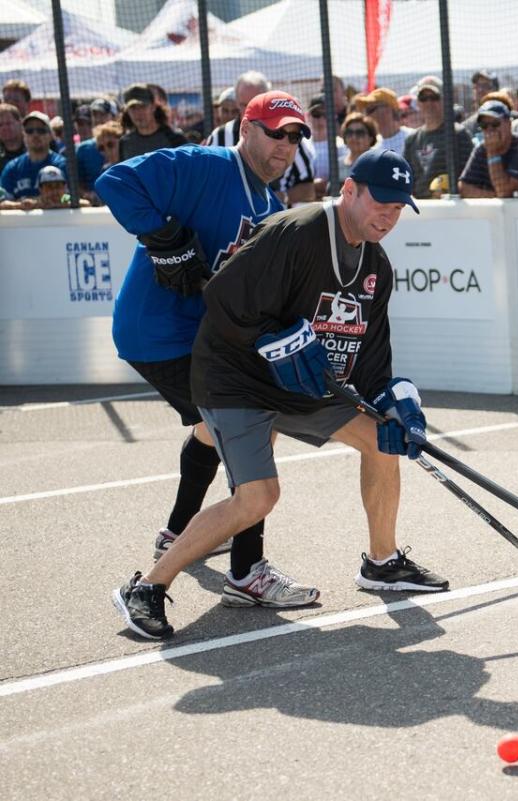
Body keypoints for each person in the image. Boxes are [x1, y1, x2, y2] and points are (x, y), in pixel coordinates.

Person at [112, 149, 447, 640]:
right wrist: (274, 339)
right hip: (236, 379)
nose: (389, 217)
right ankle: (145, 588)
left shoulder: (377, 267)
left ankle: (382, 562)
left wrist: (402, 407)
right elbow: (221, 298)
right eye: (382, 203)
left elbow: (374, 366)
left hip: (299, 384)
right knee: (258, 498)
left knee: (382, 438)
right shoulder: (298, 230)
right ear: (349, 190)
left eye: (399, 209)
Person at [95, 91, 314, 614]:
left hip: (201, 342)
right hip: (156, 334)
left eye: (295, 136)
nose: (285, 145)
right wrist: (164, 235)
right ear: (247, 128)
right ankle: (246, 571)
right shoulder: (203, 165)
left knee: (216, 425)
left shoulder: (272, 211)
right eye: (276, 131)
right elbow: (114, 181)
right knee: (252, 420)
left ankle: (178, 532)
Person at [204, 71, 316, 205]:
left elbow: (309, 189)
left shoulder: (293, 137)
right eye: (243, 105)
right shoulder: (219, 137)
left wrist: (279, 197)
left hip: (278, 219)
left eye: (256, 103)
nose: (248, 110)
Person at [458, 99, 518, 198]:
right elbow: (463, 188)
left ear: (509, 124)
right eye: (484, 125)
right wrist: (494, 198)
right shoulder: (481, 149)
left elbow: (504, 192)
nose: (490, 130)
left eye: (495, 124)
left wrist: (492, 152)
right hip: (502, 212)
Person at [404, 79, 472, 199]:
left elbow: (470, 176)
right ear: (418, 103)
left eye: (434, 97)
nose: (429, 103)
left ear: (444, 100)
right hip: (420, 209)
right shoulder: (412, 140)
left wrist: (452, 189)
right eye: (423, 98)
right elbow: (406, 178)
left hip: (450, 206)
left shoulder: (458, 134)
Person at [0, 112, 67, 199]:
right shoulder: (12, 168)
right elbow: (3, 201)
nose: (35, 135)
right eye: (29, 131)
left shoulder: (62, 165)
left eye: (41, 130)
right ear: (24, 135)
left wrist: (59, 201)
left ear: (51, 135)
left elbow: (70, 197)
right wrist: (24, 205)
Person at [117, 84, 188, 163]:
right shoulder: (125, 142)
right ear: (127, 111)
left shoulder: (175, 138)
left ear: (153, 107)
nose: (138, 113)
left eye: (142, 106)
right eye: (133, 108)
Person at [0, 103, 25, 171]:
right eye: (0, 125)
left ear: (20, 123)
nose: (4, 128)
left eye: (8, 123)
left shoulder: (34, 148)